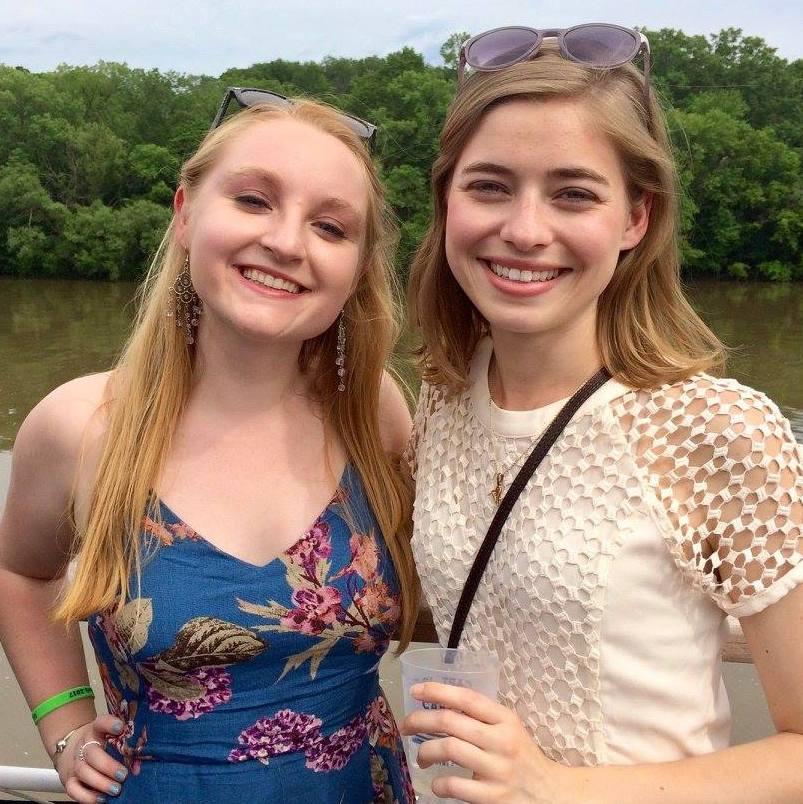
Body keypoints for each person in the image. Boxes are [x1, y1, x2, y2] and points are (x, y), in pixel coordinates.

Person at [402, 24, 803, 803]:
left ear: (634, 218)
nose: (524, 230)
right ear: (446, 200)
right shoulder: (440, 400)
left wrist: (553, 786)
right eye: (489, 186)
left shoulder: (715, 430)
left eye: (573, 194)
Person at [0, 91, 418, 803]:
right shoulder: (81, 427)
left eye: (329, 226)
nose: (287, 243)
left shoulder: (371, 411)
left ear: (356, 268)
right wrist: (64, 723)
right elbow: (21, 572)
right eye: (254, 200)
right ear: (186, 213)